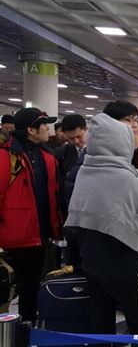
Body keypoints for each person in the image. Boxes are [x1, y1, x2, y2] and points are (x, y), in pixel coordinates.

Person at [65, 113, 138, 339]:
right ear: (121, 142)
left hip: (92, 260)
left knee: (100, 322)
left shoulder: (84, 172)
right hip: (125, 262)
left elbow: (74, 219)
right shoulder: (131, 179)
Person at [0, 108, 61, 324]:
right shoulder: (6, 157)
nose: (48, 129)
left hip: (41, 231)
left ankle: (28, 322)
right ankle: (16, 325)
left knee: (33, 281)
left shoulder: (46, 155)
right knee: (17, 283)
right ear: (31, 129)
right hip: (15, 234)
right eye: (44, 125)